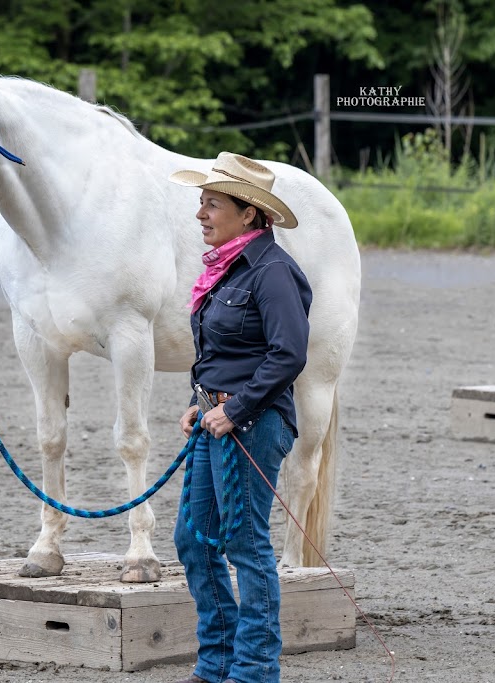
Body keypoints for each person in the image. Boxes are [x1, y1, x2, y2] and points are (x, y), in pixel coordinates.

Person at [170, 152, 312, 683]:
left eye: (212, 204)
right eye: (201, 203)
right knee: (193, 536)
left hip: (254, 423)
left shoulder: (273, 272)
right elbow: (222, 352)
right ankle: (217, 664)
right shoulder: (227, 268)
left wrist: (237, 408)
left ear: (249, 213)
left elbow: (288, 353)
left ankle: (253, 671)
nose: (201, 214)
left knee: (245, 543)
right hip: (217, 419)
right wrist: (200, 400)